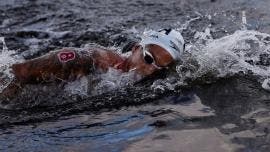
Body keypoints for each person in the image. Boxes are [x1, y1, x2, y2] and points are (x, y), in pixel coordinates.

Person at [1, 29, 185, 97]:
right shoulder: (95, 60)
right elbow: (20, 71)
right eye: (149, 59)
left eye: (160, 68)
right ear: (136, 48)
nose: (151, 70)